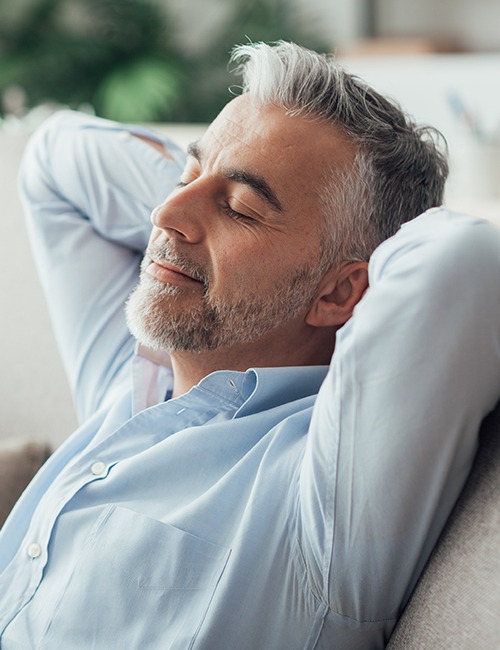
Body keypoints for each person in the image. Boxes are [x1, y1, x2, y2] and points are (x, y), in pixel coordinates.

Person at [1, 41, 499, 650]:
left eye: (240, 209)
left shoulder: (325, 502)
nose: (162, 214)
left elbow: (463, 262)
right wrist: (216, 191)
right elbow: (56, 157)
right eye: (186, 175)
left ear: (342, 292)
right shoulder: (133, 383)